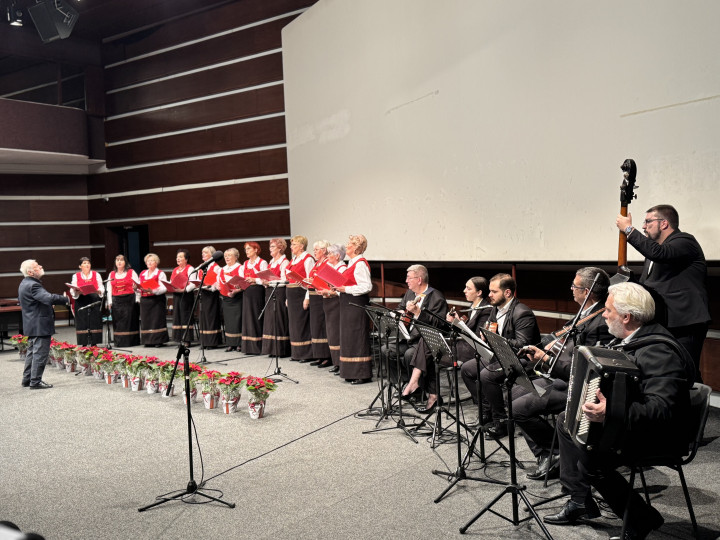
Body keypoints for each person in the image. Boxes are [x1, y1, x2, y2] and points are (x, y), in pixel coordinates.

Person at [543, 282, 694, 540]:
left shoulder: (659, 351)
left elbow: (662, 411)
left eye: (609, 310)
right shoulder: (629, 341)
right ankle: (579, 500)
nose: (603, 314)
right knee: (565, 422)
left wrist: (610, 413)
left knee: (592, 460)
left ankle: (641, 519)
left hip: (659, 434)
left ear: (627, 317)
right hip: (629, 421)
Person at [517, 267, 612, 481]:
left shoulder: (601, 322)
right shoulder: (584, 313)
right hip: (561, 377)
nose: (571, 289)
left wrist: (547, 358)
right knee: (515, 391)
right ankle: (550, 453)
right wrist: (546, 348)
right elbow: (563, 339)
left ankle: (557, 453)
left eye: (575, 286)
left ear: (586, 291)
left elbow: (582, 370)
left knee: (518, 408)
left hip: (576, 387)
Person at [616, 204, 710, 382]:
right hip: (663, 321)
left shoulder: (685, 241)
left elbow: (659, 253)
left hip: (685, 322)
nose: (644, 226)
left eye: (648, 222)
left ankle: (695, 406)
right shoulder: (654, 252)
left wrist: (628, 229)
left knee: (686, 372)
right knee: (668, 371)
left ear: (664, 223)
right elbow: (648, 284)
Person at [460, 273, 540, 439]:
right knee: (467, 369)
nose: (489, 295)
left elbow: (523, 345)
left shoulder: (522, 313)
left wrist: (495, 338)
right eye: (489, 291)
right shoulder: (495, 309)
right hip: (501, 355)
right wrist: (487, 337)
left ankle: (501, 421)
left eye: (493, 291)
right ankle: (487, 410)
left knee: (486, 376)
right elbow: (492, 332)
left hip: (521, 358)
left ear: (508, 293)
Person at [388, 265, 448, 409]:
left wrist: (418, 313)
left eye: (409, 278)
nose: (406, 280)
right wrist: (400, 313)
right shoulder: (410, 293)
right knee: (387, 350)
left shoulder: (436, 297)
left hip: (423, 341)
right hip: (407, 337)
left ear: (419, 279)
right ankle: (404, 383)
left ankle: (417, 390)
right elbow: (399, 308)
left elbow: (438, 324)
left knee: (409, 354)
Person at [19, 259, 69, 389]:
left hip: (32, 323)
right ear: (30, 272)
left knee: (31, 353)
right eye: (37, 266)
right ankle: (35, 382)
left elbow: (37, 301)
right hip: (40, 324)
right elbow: (48, 298)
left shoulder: (24, 283)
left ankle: (27, 379)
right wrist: (66, 299)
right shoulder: (34, 285)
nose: (41, 266)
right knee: (40, 354)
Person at [335, 234, 373, 384]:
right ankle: (350, 371)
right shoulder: (351, 263)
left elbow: (366, 286)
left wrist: (345, 289)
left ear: (357, 248)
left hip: (356, 305)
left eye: (350, 244)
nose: (346, 246)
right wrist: (338, 288)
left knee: (357, 338)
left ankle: (362, 373)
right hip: (347, 304)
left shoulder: (360, 263)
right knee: (348, 338)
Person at [285, 235, 314, 362]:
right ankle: (296, 353)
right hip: (292, 296)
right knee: (294, 325)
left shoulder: (307, 259)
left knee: (302, 324)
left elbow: (310, 280)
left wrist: (307, 298)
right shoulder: (294, 260)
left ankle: (305, 354)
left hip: (301, 294)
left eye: (294, 245)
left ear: (301, 246)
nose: (291, 247)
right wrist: (287, 298)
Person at [318, 243, 346, 372]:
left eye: (330, 253)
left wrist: (329, 292)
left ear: (338, 256)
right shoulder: (329, 267)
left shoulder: (342, 268)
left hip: (337, 303)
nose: (328, 256)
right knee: (331, 333)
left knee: (337, 332)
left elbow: (340, 289)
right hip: (328, 302)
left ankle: (341, 363)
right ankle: (335, 362)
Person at [261, 238, 290, 357]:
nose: (270, 249)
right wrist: (263, 281)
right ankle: (271, 349)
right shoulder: (271, 261)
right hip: (269, 291)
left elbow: (285, 280)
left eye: (272, 247)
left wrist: (270, 282)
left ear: (280, 248)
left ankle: (280, 349)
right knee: (270, 320)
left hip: (279, 292)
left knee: (278, 319)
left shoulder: (284, 262)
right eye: (270, 247)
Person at [306, 240, 332, 367]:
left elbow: (327, 281)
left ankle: (326, 356)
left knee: (322, 326)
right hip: (314, 296)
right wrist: (305, 282)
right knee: (316, 326)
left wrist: (314, 281)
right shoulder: (317, 263)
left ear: (324, 250)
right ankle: (318, 355)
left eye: (316, 249)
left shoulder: (327, 263)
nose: (314, 252)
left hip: (322, 297)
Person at [107, 254, 140, 347]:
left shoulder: (131, 272)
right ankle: (120, 342)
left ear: (125, 262)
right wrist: (109, 301)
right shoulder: (112, 274)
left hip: (129, 300)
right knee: (119, 323)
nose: (119, 262)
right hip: (117, 301)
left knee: (130, 321)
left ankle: (132, 341)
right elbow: (109, 289)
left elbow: (137, 286)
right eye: (117, 260)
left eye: (121, 260)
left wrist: (137, 299)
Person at [69, 257, 104, 346]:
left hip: (93, 299)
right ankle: (83, 343)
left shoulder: (96, 274)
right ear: (80, 266)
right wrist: (77, 291)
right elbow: (73, 289)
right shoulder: (75, 276)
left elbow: (101, 286)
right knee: (82, 321)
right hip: (81, 300)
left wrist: (99, 291)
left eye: (88, 263)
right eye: (84, 263)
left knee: (94, 320)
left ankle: (94, 342)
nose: (87, 265)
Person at [240, 241, 268, 355]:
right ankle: (248, 347)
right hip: (247, 292)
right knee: (248, 318)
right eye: (245, 249)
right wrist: (239, 283)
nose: (246, 251)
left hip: (257, 292)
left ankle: (258, 346)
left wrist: (254, 279)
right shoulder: (245, 263)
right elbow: (242, 278)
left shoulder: (262, 262)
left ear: (256, 250)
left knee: (256, 317)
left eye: (249, 249)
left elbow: (265, 280)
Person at [138, 253, 169, 347]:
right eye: (148, 261)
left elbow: (164, 288)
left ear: (156, 263)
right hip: (145, 300)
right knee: (146, 321)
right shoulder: (143, 273)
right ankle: (147, 341)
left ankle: (158, 340)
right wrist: (136, 288)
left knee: (156, 321)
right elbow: (140, 286)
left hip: (156, 300)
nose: (149, 262)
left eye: (152, 261)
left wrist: (153, 290)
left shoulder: (160, 273)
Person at [216, 248, 243, 352]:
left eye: (229, 255)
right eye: (225, 255)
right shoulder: (222, 269)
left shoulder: (240, 267)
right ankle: (230, 343)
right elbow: (218, 282)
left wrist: (235, 291)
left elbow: (243, 283)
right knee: (228, 321)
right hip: (226, 298)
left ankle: (239, 343)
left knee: (237, 320)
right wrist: (218, 285)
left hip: (237, 298)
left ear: (236, 257)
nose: (226, 257)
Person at [197, 246, 223, 348]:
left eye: (205, 252)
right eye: (202, 252)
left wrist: (212, 287)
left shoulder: (216, 267)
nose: (203, 254)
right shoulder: (201, 266)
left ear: (212, 254)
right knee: (203, 318)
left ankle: (212, 342)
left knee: (211, 317)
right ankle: (204, 341)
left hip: (212, 294)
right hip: (203, 293)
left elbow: (219, 281)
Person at [169, 248, 196, 344]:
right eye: (177, 257)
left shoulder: (190, 268)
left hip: (186, 296)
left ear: (186, 259)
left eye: (180, 257)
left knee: (185, 316)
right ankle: (179, 338)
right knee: (177, 316)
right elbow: (171, 282)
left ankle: (187, 339)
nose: (178, 259)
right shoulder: (175, 270)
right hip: (176, 295)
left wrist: (183, 289)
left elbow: (193, 284)